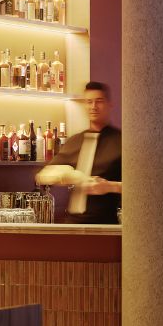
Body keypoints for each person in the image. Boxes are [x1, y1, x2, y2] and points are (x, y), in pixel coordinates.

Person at [36, 81, 122, 224]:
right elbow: (42, 176)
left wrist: (110, 186)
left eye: (99, 101)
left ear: (109, 104)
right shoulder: (75, 141)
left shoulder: (121, 142)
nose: (93, 107)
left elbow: (140, 187)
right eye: (89, 102)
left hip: (105, 226)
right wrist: (73, 177)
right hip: (72, 224)